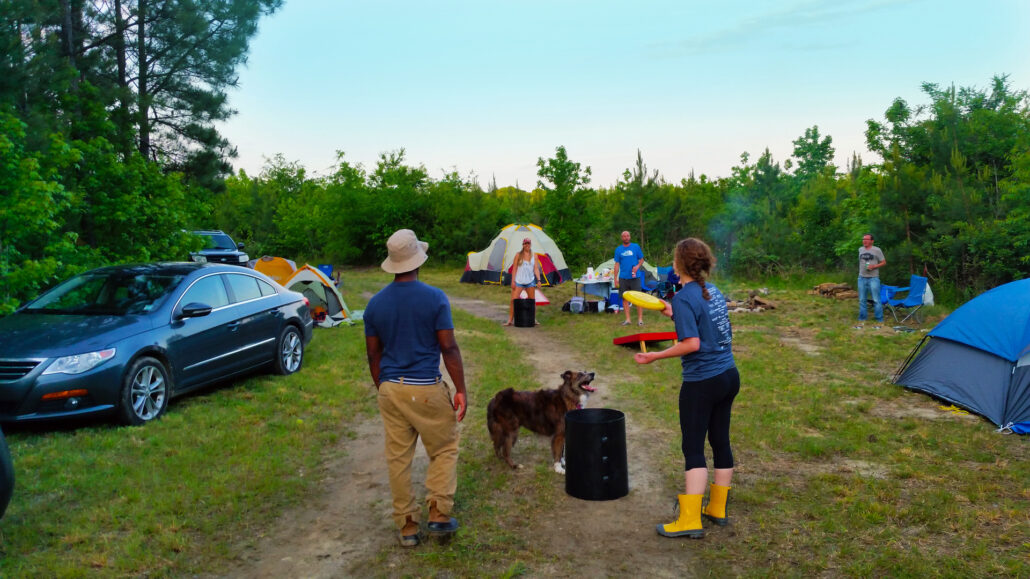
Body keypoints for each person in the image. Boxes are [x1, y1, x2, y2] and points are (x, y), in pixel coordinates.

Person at [364, 229, 469, 548]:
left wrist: (382, 386)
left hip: (391, 390)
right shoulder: (435, 298)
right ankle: (438, 512)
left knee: (398, 457)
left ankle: (407, 525)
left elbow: (373, 353)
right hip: (426, 387)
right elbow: (448, 348)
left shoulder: (375, 305)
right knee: (445, 447)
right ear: (418, 260)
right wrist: (460, 389)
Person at [634, 238, 740, 539]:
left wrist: (655, 355)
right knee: (720, 440)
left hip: (703, 382)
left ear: (679, 264)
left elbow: (691, 343)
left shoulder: (684, 297)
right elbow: (706, 323)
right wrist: (672, 311)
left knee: (693, 447)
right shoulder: (713, 291)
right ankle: (718, 508)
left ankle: (689, 520)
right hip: (729, 375)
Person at [504, 237, 543, 326]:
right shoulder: (518, 255)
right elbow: (514, 269)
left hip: (530, 281)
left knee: (532, 301)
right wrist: (513, 281)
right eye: (525, 243)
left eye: (528, 243)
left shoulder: (534, 255)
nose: (527, 245)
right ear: (523, 245)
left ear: (530, 244)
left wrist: (539, 280)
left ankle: (533, 318)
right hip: (519, 281)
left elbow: (536, 268)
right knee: (513, 300)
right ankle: (510, 320)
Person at [613, 230, 645, 326]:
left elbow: (642, 259)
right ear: (621, 238)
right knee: (625, 299)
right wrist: (615, 278)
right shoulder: (618, 250)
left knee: (638, 298)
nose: (626, 237)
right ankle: (628, 320)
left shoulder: (635, 247)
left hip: (635, 277)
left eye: (627, 236)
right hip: (623, 278)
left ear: (630, 237)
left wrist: (637, 266)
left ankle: (640, 320)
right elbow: (617, 264)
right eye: (624, 236)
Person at [857, 233, 886, 327]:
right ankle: (862, 318)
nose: (864, 241)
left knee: (876, 300)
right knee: (862, 299)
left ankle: (879, 319)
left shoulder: (877, 250)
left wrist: (874, 266)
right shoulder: (860, 249)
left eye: (866, 239)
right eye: (863, 239)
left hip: (873, 278)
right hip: (861, 278)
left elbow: (884, 262)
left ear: (872, 241)